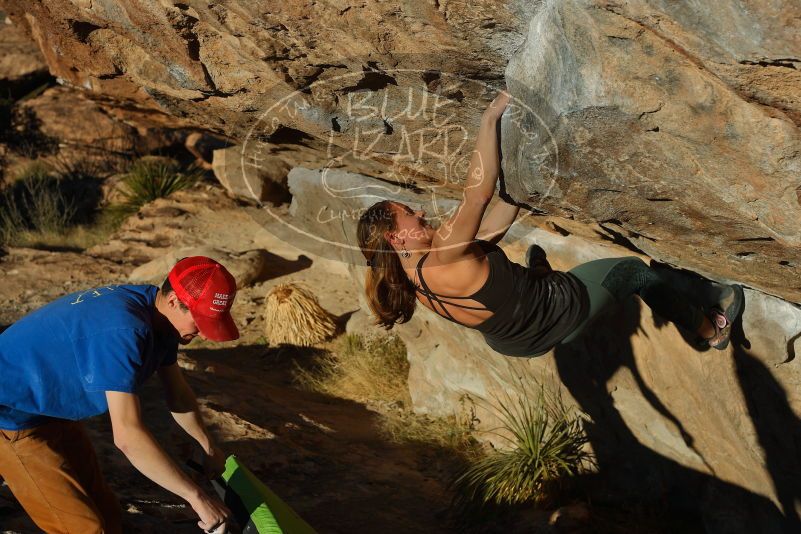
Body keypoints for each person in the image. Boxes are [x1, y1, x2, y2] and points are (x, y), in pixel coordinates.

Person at [357, 91, 743, 357]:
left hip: (520, 343)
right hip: (561, 312)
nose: (420, 213)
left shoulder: (410, 280)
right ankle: (710, 331)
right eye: (409, 212)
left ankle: (537, 274)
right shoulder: (441, 251)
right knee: (634, 273)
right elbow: (476, 195)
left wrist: (518, 196)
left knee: (496, 256)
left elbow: (487, 237)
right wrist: (490, 117)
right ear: (395, 235)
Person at [0, 256, 239, 533]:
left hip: (51, 411)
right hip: (10, 417)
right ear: (173, 300)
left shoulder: (159, 317)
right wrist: (196, 498)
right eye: (201, 322)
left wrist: (208, 446)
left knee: (109, 515)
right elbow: (127, 436)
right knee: (85, 529)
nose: (206, 334)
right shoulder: (125, 331)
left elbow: (178, 395)